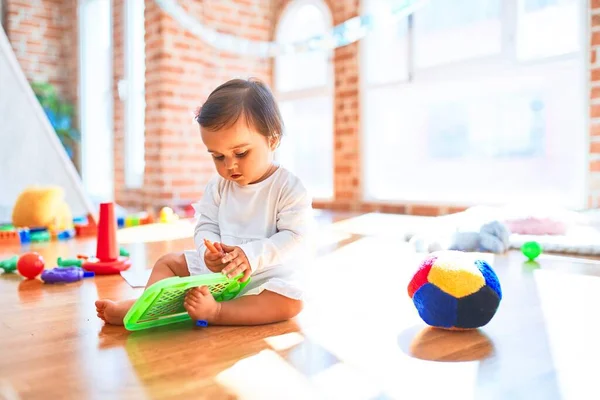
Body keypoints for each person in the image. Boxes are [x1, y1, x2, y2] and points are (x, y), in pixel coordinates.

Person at [95, 78, 314, 326]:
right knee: (167, 263)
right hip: (218, 273)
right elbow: (205, 225)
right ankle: (143, 306)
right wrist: (207, 252)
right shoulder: (218, 186)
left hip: (264, 275)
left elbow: (296, 236)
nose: (229, 165)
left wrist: (251, 256)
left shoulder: (289, 187)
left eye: (241, 153)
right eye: (218, 156)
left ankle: (218, 312)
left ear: (272, 140)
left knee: (291, 301)